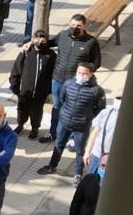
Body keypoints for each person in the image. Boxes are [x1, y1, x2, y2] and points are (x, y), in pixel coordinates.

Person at [38, 62, 105, 184]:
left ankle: (78, 174)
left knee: (80, 151)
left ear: (91, 74)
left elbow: (100, 109)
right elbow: (62, 98)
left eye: (84, 73)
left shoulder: (97, 91)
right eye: (79, 72)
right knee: (59, 145)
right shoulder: (68, 84)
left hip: (81, 126)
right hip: (64, 121)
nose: (81, 75)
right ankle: (52, 166)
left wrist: (87, 117)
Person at [41, 14, 102, 142]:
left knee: (73, 108)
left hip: (75, 83)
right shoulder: (63, 35)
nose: (75, 28)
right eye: (73, 25)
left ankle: (72, 138)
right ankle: (54, 133)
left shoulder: (91, 42)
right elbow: (48, 43)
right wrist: (32, 43)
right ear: (69, 24)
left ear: (84, 26)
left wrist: (86, 73)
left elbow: (97, 62)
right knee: (57, 106)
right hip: (57, 79)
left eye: (78, 26)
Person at [9, 30, 56, 139]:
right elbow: (16, 69)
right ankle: (20, 125)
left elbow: (53, 73)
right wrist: (14, 86)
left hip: (40, 92)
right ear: (33, 39)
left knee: (37, 111)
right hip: (25, 90)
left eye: (43, 40)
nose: (40, 41)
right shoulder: (26, 52)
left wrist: (49, 90)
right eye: (37, 39)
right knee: (22, 109)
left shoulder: (51, 55)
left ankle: (35, 128)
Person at [84, 95, 120, 174]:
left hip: (115, 160)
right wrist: (87, 152)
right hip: (97, 155)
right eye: (118, 98)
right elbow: (94, 133)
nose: (120, 100)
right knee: (91, 182)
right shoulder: (106, 112)